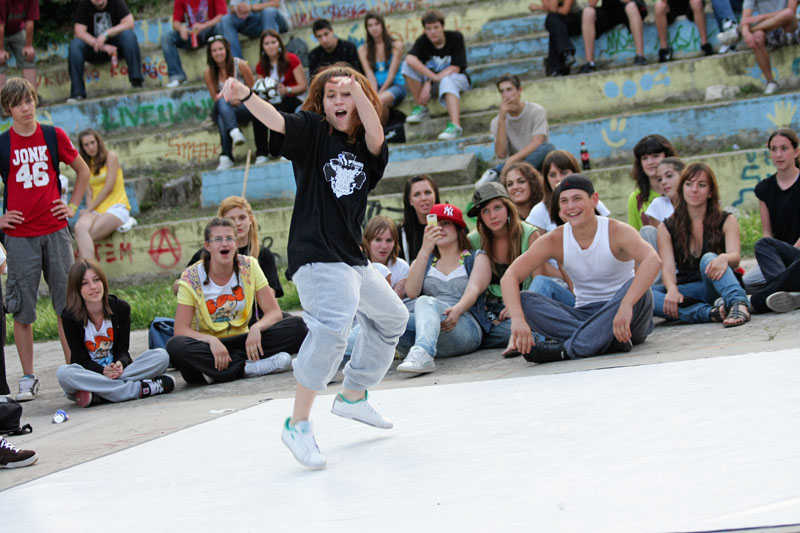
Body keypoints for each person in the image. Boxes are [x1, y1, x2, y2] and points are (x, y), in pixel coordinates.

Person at [221, 64, 409, 469]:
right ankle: (298, 422)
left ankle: (354, 395)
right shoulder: (313, 132)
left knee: (394, 317)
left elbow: (376, 133)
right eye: (331, 95)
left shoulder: (367, 149)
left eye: (345, 95)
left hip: (351, 259)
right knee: (333, 328)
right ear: (321, 104)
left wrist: (355, 86)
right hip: (316, 255)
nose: (338, 102)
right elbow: (277, 119)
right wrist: (247, 96)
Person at [502, 174, 660, 363]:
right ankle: (604, 340)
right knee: (524, 300)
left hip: (624, 316)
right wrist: (518, 320)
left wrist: (626, 305)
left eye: (577, 199)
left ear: (594, 200)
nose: (571, 207)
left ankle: (566, 351)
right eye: (564, 201)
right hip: (584, 313)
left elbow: (653, 260)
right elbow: (510, 276)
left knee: (639, 288)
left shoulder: (617, 231)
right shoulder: (555, 239)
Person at [0, 78, 90, 401]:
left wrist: (73, 206)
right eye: (19, 103)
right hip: (20, 237)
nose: (26, 108)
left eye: (30, 101)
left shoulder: (53, 135)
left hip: (55, 231)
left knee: (66, 304)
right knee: (22, 308)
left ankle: (73, 371)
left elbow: (83, 171)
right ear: (8, 108)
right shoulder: (3, 143)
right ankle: (27, 376)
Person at [166, 217, 307, 385]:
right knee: (176, 346)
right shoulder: (191, 276)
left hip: (246, 339)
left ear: (236, 244)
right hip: (212, 346)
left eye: (229, 238)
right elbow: (181, 330)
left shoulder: (249, 266)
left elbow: (274, 312)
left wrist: (257, 327)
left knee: (298, 326)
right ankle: (250, 367)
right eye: (217, 239)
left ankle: (220, 371)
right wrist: (211, 340)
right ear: (207, 246)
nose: (224, 244)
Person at [56, 260, 175, 407]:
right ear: (76, 289)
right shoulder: (70, 317)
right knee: (64, 373)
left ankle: (99, 394)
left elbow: (123, 351)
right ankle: (139, 389)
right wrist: (103, 371)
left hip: (120, 373)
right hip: (93, 374)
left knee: (161, 356)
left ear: (103, 281)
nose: (93, 287)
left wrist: (120, 364)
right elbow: (79, 359)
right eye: (84, 283)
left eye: (96, 280)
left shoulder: (120, 308)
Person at [652, 162, 750, 326]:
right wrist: (672, 289)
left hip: (717, 284)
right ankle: (710, 313)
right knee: (645, 295)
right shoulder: (667, 227)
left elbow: (736, 257)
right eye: (688, 184)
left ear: (710, 191)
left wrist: (724, 258)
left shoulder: (727, 220)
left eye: (701, 185)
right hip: (689, 290)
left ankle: (738, 303)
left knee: (709, 258)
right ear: (682, 189)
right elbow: (667, 268)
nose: (694, 190)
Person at [396, 203, 490, 373]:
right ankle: (337, 360)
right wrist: (425, 249)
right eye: (435, 224)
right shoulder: (423, 261)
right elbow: (411, 292)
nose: (440, 228)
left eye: (446, 223)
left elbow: (473, 291)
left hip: (462, 324)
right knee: (389, 318)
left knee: (426, 301)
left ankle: (423, 352)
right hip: (428, 327)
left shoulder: (476, 257)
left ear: (458, 228)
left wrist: (457, 310)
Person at [467, 183, 543, 352]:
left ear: (508, 208)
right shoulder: (472, 241)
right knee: (477, 330)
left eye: (497, 208)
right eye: (485, 211)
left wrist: (514, 306)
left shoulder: (530, 234)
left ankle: (519, 334)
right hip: (492, 313)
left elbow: (539, 282)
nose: (492, 215)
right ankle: (521, 334)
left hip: (525, 305)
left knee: (533, 320)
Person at [181, 195, 284, 299]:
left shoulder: (264, 254)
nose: (238, 223)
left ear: (250, 220)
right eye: (231, 219)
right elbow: (180, 286)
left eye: (242, 217)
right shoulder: (206, 254)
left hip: (257, 315)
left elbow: (271, 298)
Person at [402, 9, 471, 140]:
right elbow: (410, 59)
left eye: (436, 27)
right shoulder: (423, 41)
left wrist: (430, 81)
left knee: (447, 80)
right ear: (425, 30)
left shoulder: (455, 37)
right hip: (435, 82)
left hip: (458, 80)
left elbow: (456, 68)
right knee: (406, 66)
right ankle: (422, 107)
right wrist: (432, 79)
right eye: (429, 28)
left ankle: (455, 126)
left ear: (442, 27)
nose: (433, 32)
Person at [747, 128, 800, 292]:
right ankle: (788, 289)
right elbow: (767, 234)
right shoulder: (764, 188)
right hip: (777, 258)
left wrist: (790, 256)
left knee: (766, 286)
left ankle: (780, 288)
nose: (778, 155)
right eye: (774, 149)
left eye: (784, 149)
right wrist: (772, 260)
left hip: (797, 255)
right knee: (747, 282)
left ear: (796, 152)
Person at [478, 74, 555, 186]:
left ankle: (497, 171)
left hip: (535, 159)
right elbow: (501, 153)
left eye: (509, 90)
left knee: (548, 148)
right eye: (502, 91)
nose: (506, 95)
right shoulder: (497, 121)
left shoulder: (536, 111)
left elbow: (538, 142)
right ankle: (508, 171)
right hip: (517, 162)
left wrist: (509, 162)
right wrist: (502, 119)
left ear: (519, 90)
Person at [67, 0, 143, 102]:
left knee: (128, 35)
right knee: (75, 45)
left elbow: (129, 23)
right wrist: (101, 45)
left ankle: (136, 82)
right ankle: (77, 93)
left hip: (117, 48)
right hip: (95, 49)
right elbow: (79, 32)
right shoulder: (84, 4)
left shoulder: (116, 2)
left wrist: (106, 34)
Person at [74, 128, 132, 259]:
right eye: (86, 145)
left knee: (86, 235)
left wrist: (89, 209)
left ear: (98, 142)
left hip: (117, 207)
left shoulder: (110, 156)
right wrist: (89, 211)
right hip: (97, 209)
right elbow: (88, 193)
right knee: (79, 227)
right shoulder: (85, 164)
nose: (91, 147)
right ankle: (89, 271)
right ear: (82, 148)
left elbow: (108, 187)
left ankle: (89, 269)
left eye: (92, 142)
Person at [252, 29, 307, 164]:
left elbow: (303, 86)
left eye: (273, 42)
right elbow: (261, 87)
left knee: (282, 110)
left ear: (279, 43)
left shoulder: (292, 59)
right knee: (257, 112)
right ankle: (262, 152)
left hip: (292, 97)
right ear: (262, 47)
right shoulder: (261, 65)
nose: (270, 46)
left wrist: (287, 89)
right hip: (272, 100)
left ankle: (286, 149)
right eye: (266, 43)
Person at [526, 149, 610, 233]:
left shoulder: (594, 203)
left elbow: (609, 234)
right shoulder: (539, 212)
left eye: (564, 173)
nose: (558, 179)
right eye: (552, 175)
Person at [204, 35, 255, 170]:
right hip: (224, 106)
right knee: (221, 103)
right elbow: (215, 98)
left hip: (244, 107)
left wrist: (240, 99)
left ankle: (226, 156)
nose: (218, 53)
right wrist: (229, 100)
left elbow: (253, 91)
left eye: (221, 49)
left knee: (222, 117)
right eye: (214, 50)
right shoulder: (209, 72)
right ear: (210, 54)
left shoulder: (241, 65)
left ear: (226, 49)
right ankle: (234, 131)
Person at [162, 0, 227, 88]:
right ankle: (177, 77)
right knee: (167, 37)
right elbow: (176, 22)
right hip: (191, 34)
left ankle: (225, 71)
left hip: (210, 30)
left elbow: (222, 16)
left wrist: (204, 26)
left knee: (222, 26)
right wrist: (181, 29)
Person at [740, 0, 800, 94]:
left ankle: (751, 29)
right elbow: (745, 19)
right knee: (757, 36)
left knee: (788, 13)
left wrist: (761, 17)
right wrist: (745, 32)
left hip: (789, 29)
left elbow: (791, 11)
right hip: (767, 29)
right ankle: (771, 82)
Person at [357, 11, 406, 125]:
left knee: (379, 100)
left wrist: (378, 94)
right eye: (370, 25)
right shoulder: (363, 49)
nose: (374, 28)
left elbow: (392, 75)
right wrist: (374, 93)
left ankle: (379, 135)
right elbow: (369, 74)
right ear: (367, 28)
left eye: (376, 24)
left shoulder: (396, 45)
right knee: (372, 101)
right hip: (375, 87)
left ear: (382, 25)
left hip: (395, 86)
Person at [578, 0, 648, 73]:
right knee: (587, 12)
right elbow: (591, 4)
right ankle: (590, 63)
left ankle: (640, 56)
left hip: (628, 8)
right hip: (609, 11)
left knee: (631, 6)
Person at [627, 134, 677, 231]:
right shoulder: (636, 198)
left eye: (655, 156)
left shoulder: (683, 190)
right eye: (644, 158)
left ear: (667, 157)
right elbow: (634, 235)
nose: (650, 162)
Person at [639, 157, 684, 251]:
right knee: (646, 231)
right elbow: (656, 240)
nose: (663, 182)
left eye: (669, 176)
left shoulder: (696, 201)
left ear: (684, 175)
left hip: (693, 255)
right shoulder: (658, 204)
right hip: (665, 256)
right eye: (659, 179)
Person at [220, 0, 289, 60]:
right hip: (252, 22)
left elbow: (275, 4)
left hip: (275, 20)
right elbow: (232, 7)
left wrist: (251, 7)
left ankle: (274, 58)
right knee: (226, 20)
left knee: (268, 12)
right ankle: (237, 65)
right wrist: (238, 9)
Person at [529, 0, 583, 76]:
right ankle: (567, 54)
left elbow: (564, 11)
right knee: (552, 21)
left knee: (554, 23)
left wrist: (539, 7)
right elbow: (552, 9)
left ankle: (557, 67)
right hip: (559, 22)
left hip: (575, 20)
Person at [399, 174, 441, 262]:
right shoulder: (401, 232)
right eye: (417, 194)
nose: (423, 198)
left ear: (435, 195)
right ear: (410, 200)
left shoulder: (452, 225)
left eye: (428, 192)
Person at [0, 0, 38, 91]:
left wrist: (28, 46)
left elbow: (30, 21)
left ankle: (32, 98)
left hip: (17, 30)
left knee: (28, 57)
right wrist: (0, 50)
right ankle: (2, 102)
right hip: (1, 30)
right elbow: (0, 26)